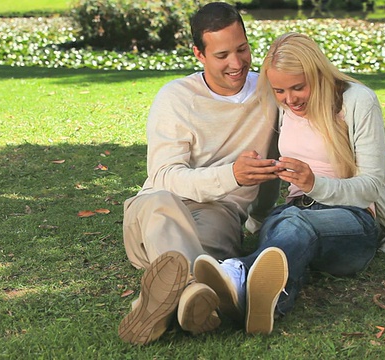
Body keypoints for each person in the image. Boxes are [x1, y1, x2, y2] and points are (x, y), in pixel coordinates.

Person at [193, 32, 385, 335]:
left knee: (296, 223)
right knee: (290, 220)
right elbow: (272, 170)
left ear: (318, 74)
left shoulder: (357, 101)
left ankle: (235, 273)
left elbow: (373, 185)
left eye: (298, 87)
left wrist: (315, 184)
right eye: (279, 90)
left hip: (352, 221)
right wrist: (258, 214)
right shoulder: (281, 108)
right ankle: (253, 302)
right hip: (293, 212)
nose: (290, 99)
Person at [118, 2, 284, 345]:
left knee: (203, 260)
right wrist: (232, 176)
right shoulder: (176, 97)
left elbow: (276, 162)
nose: (236, 64)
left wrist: (260, 218)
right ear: (199, 54)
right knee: (162, 201)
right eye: (222, 55)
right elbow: (164, 175)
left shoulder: (270, 94)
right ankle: (195, 292)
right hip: (156, 211)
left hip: (219, 214)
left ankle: (171, 302)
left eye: (242, 49)